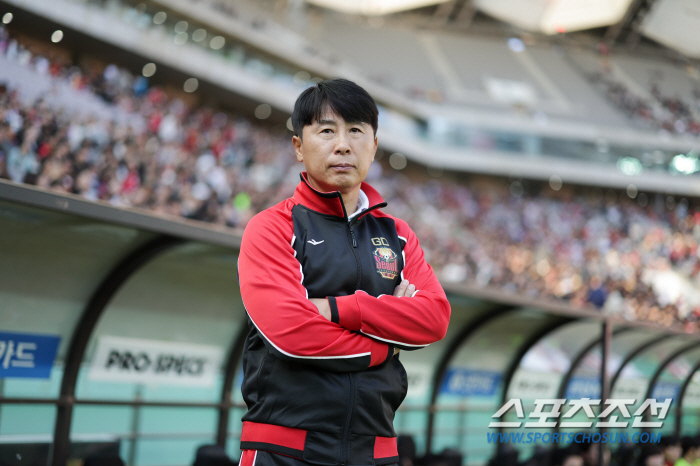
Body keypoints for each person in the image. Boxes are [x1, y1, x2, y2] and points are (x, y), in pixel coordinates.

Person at [236, 78, 451, 466]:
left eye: (355, 130)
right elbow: (290, 331)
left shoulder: (398, 235)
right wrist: (386, 342)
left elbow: (434, 318)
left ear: (374, 145)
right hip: (283, 448)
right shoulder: (272, 227)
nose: (342, 144)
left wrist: (336, 310)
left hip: (377, 449)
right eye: (326, 130)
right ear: (299, 147)